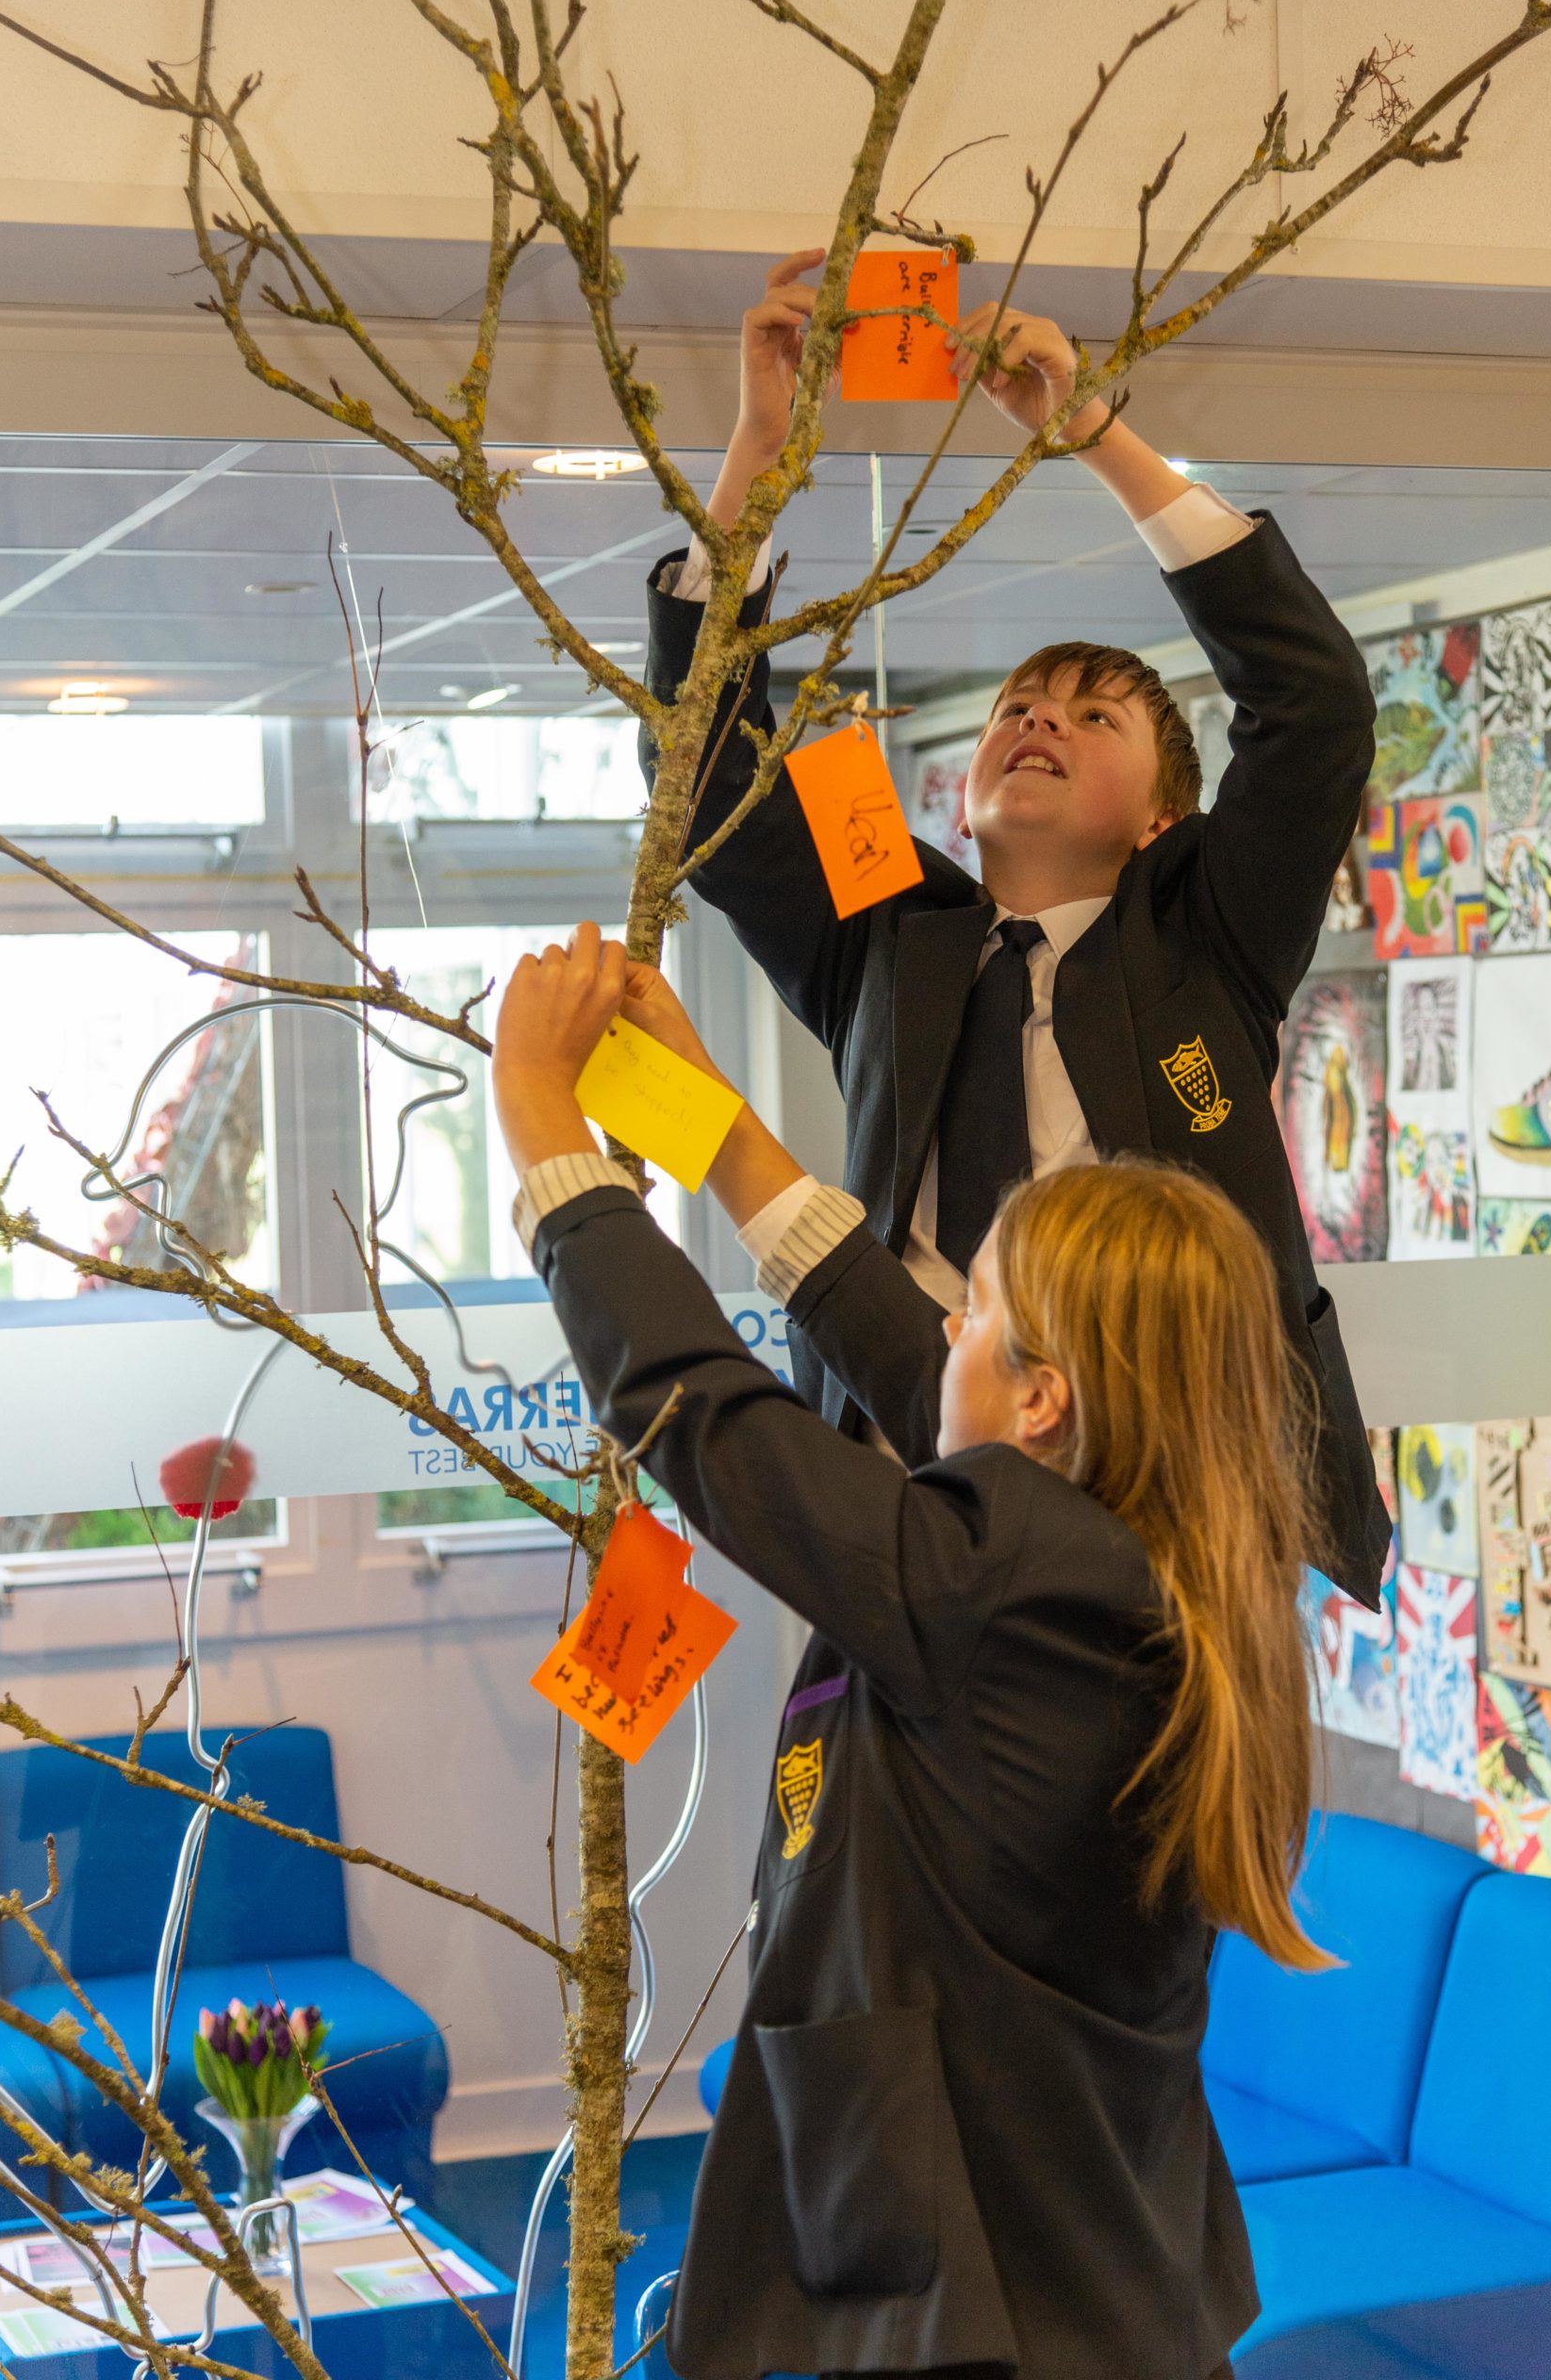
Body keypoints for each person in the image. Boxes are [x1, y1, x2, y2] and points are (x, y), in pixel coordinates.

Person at [492, 923, 1333, 2380]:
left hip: (997, 2314)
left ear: (1043, 1400)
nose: (945, 1328)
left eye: (977, 1310)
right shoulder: (1134, 1560)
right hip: (1081, 2279)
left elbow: (717, 1421)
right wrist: (710, 1128)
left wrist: (543, 1135)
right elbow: (901, 1352)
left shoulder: (1008, 1582)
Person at [642, 249, 1390, 1607]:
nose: (1039, 717)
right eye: (1019, 708)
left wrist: (1093, 434)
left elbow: (1317, 706)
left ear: (1161, 817)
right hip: (907, 1459)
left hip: (1174, 1477)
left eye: (1093, 715)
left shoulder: (1207, 933)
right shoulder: (889, 932)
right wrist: (757, 450)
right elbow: (704, 784)